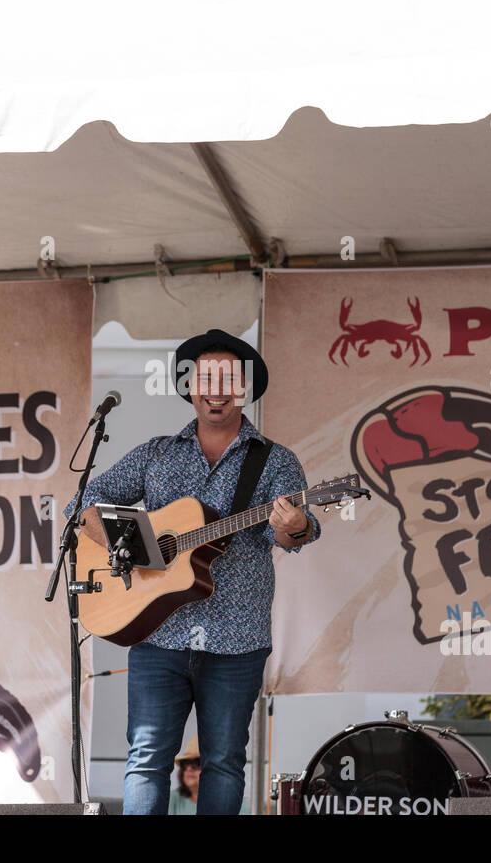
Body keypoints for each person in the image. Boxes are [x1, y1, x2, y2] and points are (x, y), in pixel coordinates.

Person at [64, 328, 320, 815]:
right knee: (145, 760)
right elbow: (82, 504)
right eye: (206, 377)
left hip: (236, 638)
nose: (216, 388)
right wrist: (130, 550)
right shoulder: (158, 453)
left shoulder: (275, 461)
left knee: (224, 762)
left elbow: (292, 536)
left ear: (243, 388)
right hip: (157, 631)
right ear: (190, 385)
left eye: (227, 378)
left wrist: (297, 523)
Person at [168, 736, 250, 814]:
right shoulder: (170, 800)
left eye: (197, 763)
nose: (189, 768)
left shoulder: (245, 807)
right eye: (185, 764)